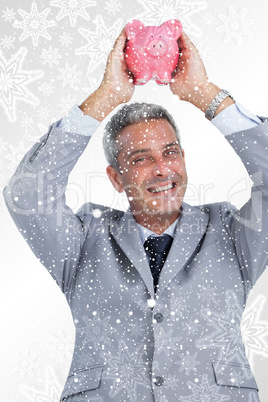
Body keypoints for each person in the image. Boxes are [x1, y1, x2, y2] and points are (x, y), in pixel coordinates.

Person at [4, 28, 268, 402]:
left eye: (171, 152)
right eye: (141, 159)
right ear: (116, 177)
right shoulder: (83, 241)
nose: (163, 169)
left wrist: (205, 94)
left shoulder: (231, 234)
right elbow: (26, 193)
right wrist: (106, 97)